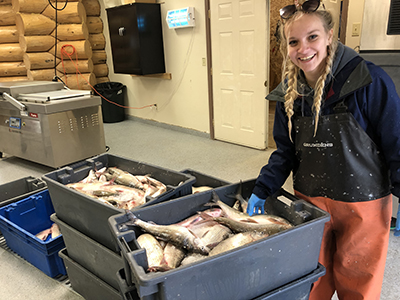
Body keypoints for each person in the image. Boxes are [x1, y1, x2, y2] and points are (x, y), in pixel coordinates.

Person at [246, 0, 400, 299]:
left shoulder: (368, 81)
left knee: (358, 280)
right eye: (294, 41)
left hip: (363, 206)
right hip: (312, 204)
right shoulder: (289, 95)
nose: (303, 48)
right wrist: (263, 188)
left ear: (330, 35)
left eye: (312, 37)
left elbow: (396, 141)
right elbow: (285, 152)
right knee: (310, 278)